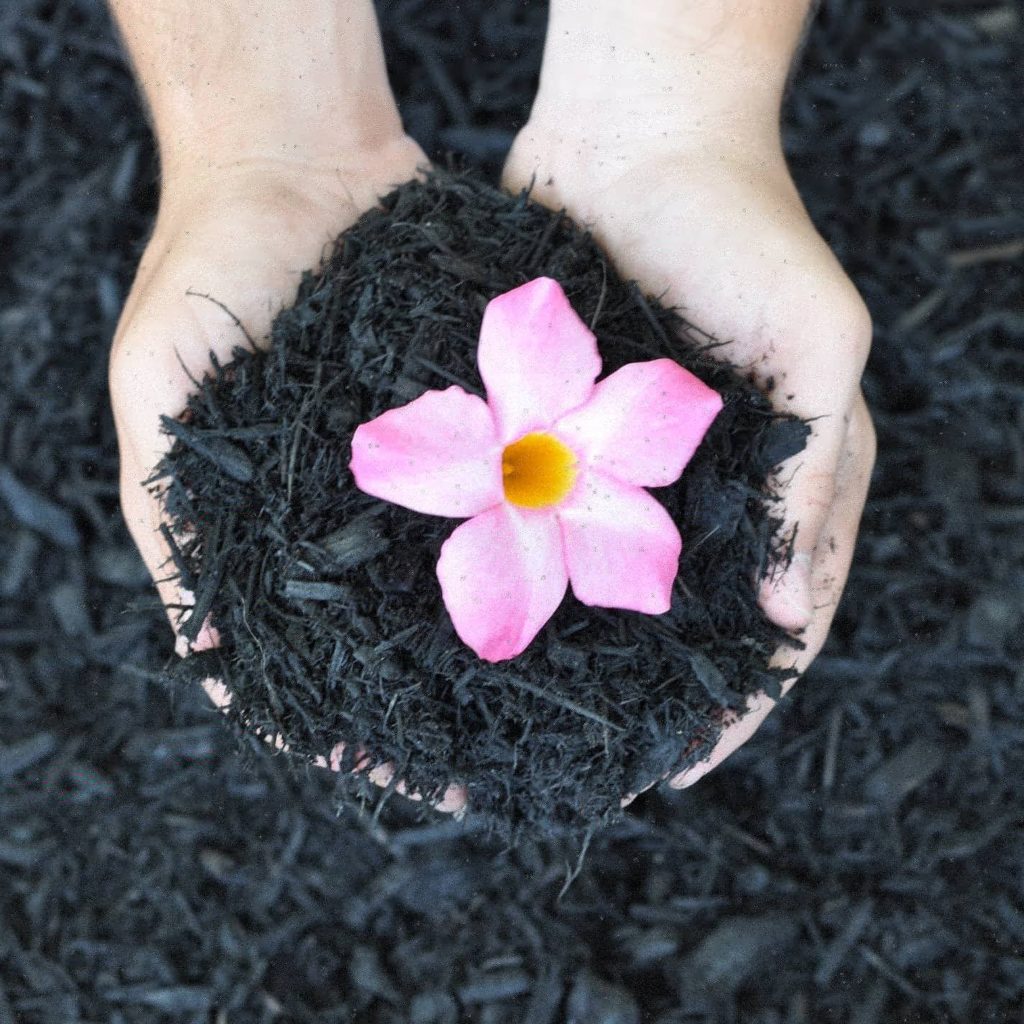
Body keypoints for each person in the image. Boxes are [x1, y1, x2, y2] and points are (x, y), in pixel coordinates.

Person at [108, 0, 875, 812]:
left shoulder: (554, 380)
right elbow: (398, 451)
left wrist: (681, 129)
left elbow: (644, 519)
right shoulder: (519, 371)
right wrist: (255, 156)